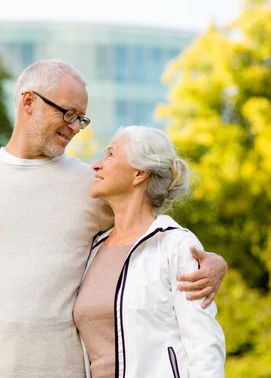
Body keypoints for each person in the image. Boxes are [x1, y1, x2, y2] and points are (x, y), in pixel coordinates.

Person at [0, 60, 227, 377]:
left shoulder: (91, 187)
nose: (74, 126)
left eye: (81, 119)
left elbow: (148, 234)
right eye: (67, 113)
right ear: (28, 101)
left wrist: (214, 263)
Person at [74, 126, 225, 378]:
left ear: (139, 173)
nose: (96, 165)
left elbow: (204, 345)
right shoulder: (93, 248)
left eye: (110, 154)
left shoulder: (175, 245)